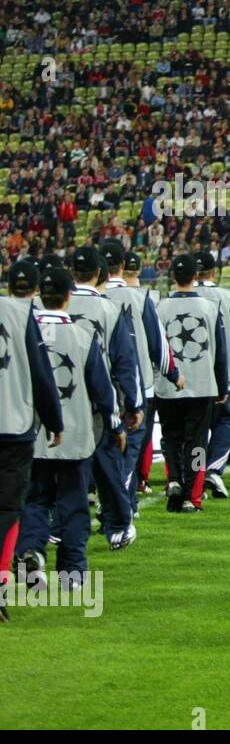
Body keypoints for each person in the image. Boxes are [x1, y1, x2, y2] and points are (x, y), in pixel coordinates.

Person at [16, 267, 126, 603]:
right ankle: (72, 574)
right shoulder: (82, 335)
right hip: (76, 436)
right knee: (74, 505)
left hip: (32, 436)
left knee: (35, 500)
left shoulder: (23, 334)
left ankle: (31, 553)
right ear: (68, 297)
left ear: (39, 295)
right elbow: (102, 388)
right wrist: (115, 424)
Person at [67, 247, 142, 547]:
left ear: (73, 271)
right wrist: (133, 405)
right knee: (108, 467)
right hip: (100, 402)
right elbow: (125, 362)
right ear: (100, 275)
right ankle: (118, 526)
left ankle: (59, 528)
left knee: (65, 470)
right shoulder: (110, 309)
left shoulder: (56, 306)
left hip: (63, 399)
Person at [0, 265, 64, 621]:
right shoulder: (21, 313)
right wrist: (54, 421)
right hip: (13, 426)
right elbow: (41, 375)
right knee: (8, 509)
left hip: (15, 426)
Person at [102, 245, 181, 514]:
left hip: (101, 386)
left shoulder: (91, 299)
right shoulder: (139, 297)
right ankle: (118, 504)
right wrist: (173, 373)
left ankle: (117, 500)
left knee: (107, 447)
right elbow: (158, 341)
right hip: (139, 384)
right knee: (131, 450)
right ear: (122, 266)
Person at [155, 256, 230, 513]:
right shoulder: (210, 307)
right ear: (195, 277)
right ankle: (192, 495)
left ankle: (175, 480)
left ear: (173, 278)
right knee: (197, 442)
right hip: (201, 384)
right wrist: (222, 387)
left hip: (168, 385)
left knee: (171, 438)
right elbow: (220, 352)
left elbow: (155, 349)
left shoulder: (159, 307)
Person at [194, 252, 230, 499]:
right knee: (225, 421)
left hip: (192, 375)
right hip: (225, 372)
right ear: (214, 272)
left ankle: (195, 473)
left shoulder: (179, 297)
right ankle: (214, 469)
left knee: (195, 427)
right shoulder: (227, 297)